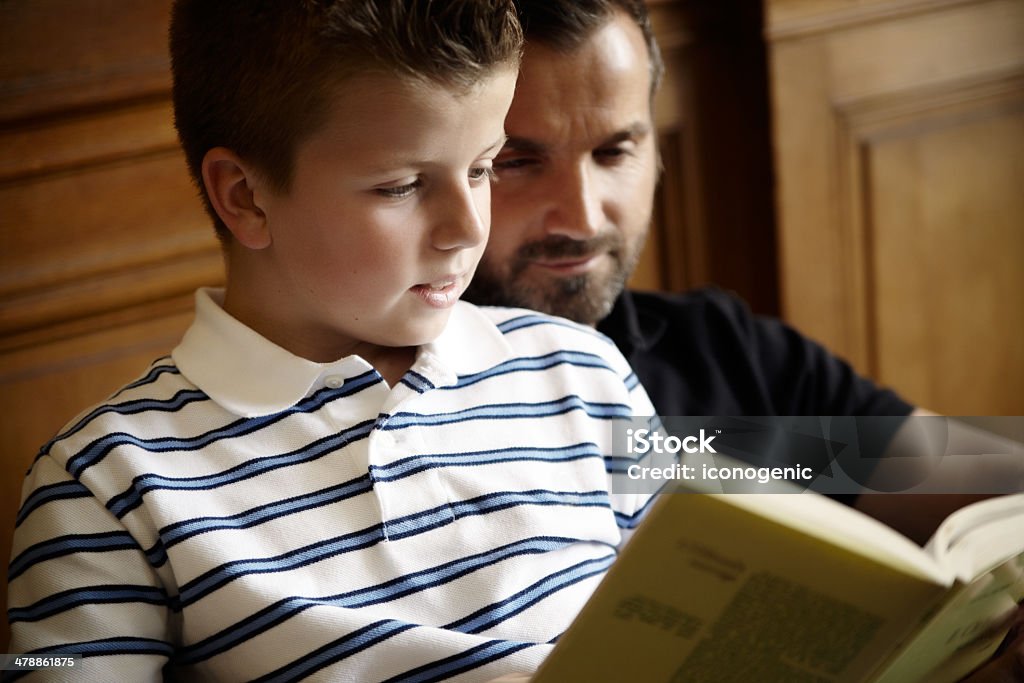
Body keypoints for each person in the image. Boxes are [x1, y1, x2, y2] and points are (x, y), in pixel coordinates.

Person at [5, 2, 659, 680]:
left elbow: (711, 595)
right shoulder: (103, 483)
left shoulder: (585, 371)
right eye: (402, 185)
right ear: (245, 197)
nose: (468, 228)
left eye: (483, 167)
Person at [464, 0, 1024, 679]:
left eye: (615, 150)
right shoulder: (384, 416)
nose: (582, 215)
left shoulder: (714, 349)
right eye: (519, 161)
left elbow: (972, 472)